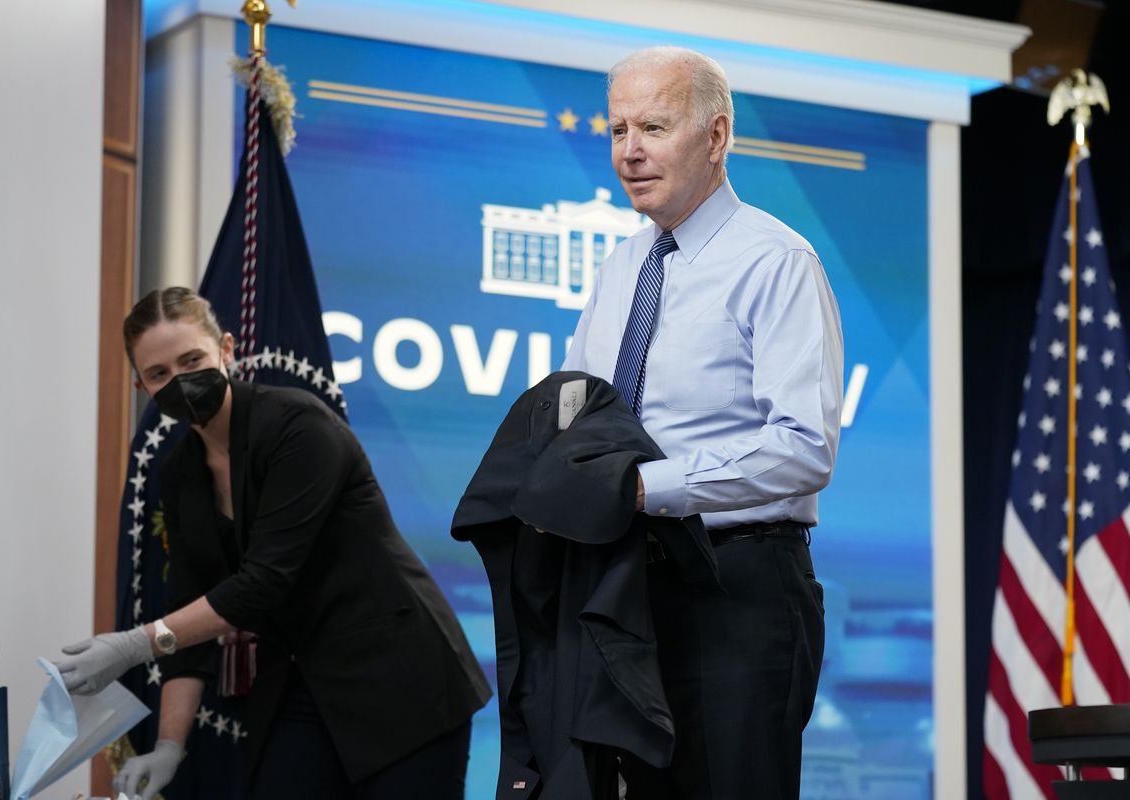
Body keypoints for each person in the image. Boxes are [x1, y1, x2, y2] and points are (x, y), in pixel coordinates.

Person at [55, 287, 491, 799]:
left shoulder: (297, 427)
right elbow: (188, 609)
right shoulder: (179, 473)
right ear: (141, 386)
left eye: (192, 360)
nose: (180, 381)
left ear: (226, 349)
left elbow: (263, 583)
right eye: (159, 373)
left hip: (400, 677)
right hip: (299, 682)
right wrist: (169, 744)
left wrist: (134, 644)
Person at [561, 46, 844, 799]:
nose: (629, 151)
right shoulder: (621, 267)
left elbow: (805, 448)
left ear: (716, 137)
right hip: (625, 589)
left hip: (737, 589)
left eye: (653, 127)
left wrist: (643, 489)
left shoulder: (776, 261)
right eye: (618, 129)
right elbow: (578, 417)